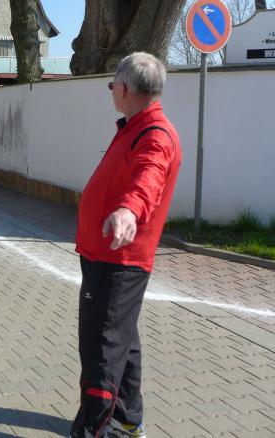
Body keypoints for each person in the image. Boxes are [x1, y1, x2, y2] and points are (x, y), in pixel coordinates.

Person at [70, 52, 182, 438]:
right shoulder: (136, 127)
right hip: (107, 255)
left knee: (101, 349)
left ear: (123, 88)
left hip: (118, 260)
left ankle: (93, 428)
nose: (111, 92)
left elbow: (149, 178)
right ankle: (127, 420)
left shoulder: (154, 134)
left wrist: (128, 211)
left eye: (111, 86)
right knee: (123, 342)